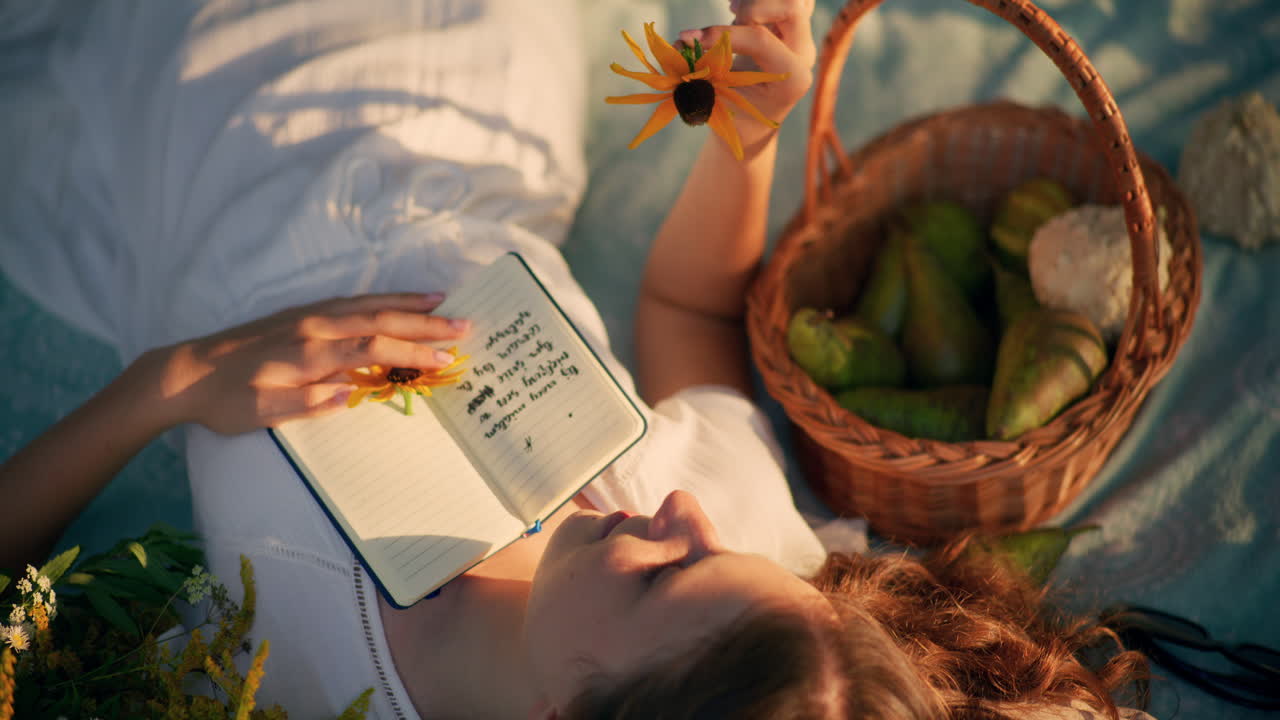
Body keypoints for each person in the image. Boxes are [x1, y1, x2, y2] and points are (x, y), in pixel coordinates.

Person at [0, 0, 1150, 717]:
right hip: (479, 84)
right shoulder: (748, 583)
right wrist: (742, 140)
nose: (689, 513)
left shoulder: (299, 680)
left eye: (663, 574)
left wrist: (172, 386)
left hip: (199, 109)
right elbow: (683, 307)